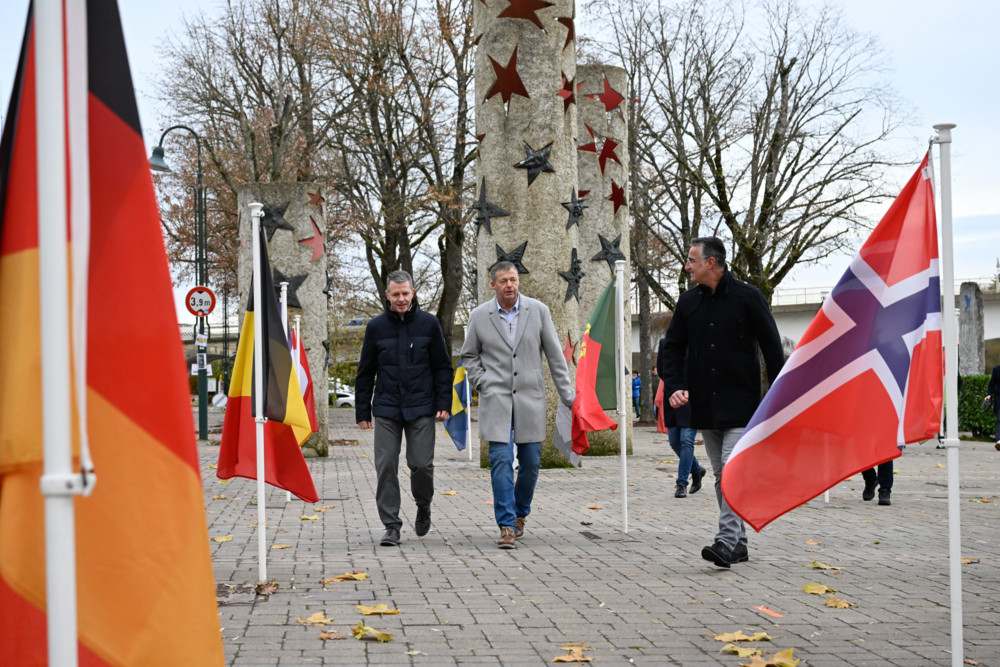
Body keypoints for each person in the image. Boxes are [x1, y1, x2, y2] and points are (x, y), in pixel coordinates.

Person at [660, 237, 784, 568]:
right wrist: (674, 385)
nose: (687, 266)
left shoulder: (748, 297)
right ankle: (740, 543)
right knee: (720, 474)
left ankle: (726, 540)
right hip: (705, 405)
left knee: (730, 470)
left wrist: (780, 397)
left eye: (691, 260)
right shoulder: (688, 303)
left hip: (743, 404)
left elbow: (773, 349)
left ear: (710, 263)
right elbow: (671, 348)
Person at [460, 261, 575, 549]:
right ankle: (507, 525)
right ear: (493, 285)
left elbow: (555, 358)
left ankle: (521, 513)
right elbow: (469, 356)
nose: (509, 285)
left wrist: (568, 396)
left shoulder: (538, 311)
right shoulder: (479, 315)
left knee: (531, 463)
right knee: (499, 461)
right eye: (503, 281)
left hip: (530, 399)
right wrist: (482, 381)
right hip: (495, 399)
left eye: (513, 279)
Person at [356, 270, 453, 547]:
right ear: (387, 295)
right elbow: (365, 372)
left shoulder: (429, 324)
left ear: (413, 293)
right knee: (385, 465)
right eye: (396, 294)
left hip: (421, 407)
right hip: (387, 408)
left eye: (405, 293)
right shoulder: (376, 328)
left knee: (421, 465)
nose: (401, 299)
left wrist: (443, 404)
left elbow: (442, 368)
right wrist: (362, 411)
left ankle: (423, 504)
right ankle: (391, 526)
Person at [656, 332, 706, 499]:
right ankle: (697, 470)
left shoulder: (698, 341)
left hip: (692, 397)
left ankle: (682, 483)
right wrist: (674, 388)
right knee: (674, 441)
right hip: (672, 396)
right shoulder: (665, 343)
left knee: (686, 440)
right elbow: (662, 370)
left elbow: (704, 369)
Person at [985, 364, 1000, 449]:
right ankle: (999, 441)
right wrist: (989, 394)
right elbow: (991, 384)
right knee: (999, 419)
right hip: (999, 398)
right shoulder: (996, 369)